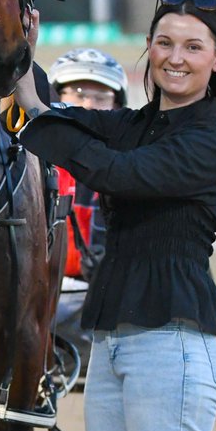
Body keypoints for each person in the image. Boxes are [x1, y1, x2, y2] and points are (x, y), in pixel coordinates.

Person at [14, 0, 216, 431]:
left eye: (193, 46)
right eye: (164, 42)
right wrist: (22, 55)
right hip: (111, 344)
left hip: (176, 343)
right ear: (147, 49)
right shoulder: (138, 125)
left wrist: (51, 126)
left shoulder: (213, 141)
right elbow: (54, 114)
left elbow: (118, 175)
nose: (175, 57)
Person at [46, 48, 128, 380]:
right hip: (41, 298)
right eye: (78, 94)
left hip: (104, 301)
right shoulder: (33, 161)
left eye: (101, 96)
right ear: (56, 97)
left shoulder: (128, 166)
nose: (90, 105)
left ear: (118, 106)